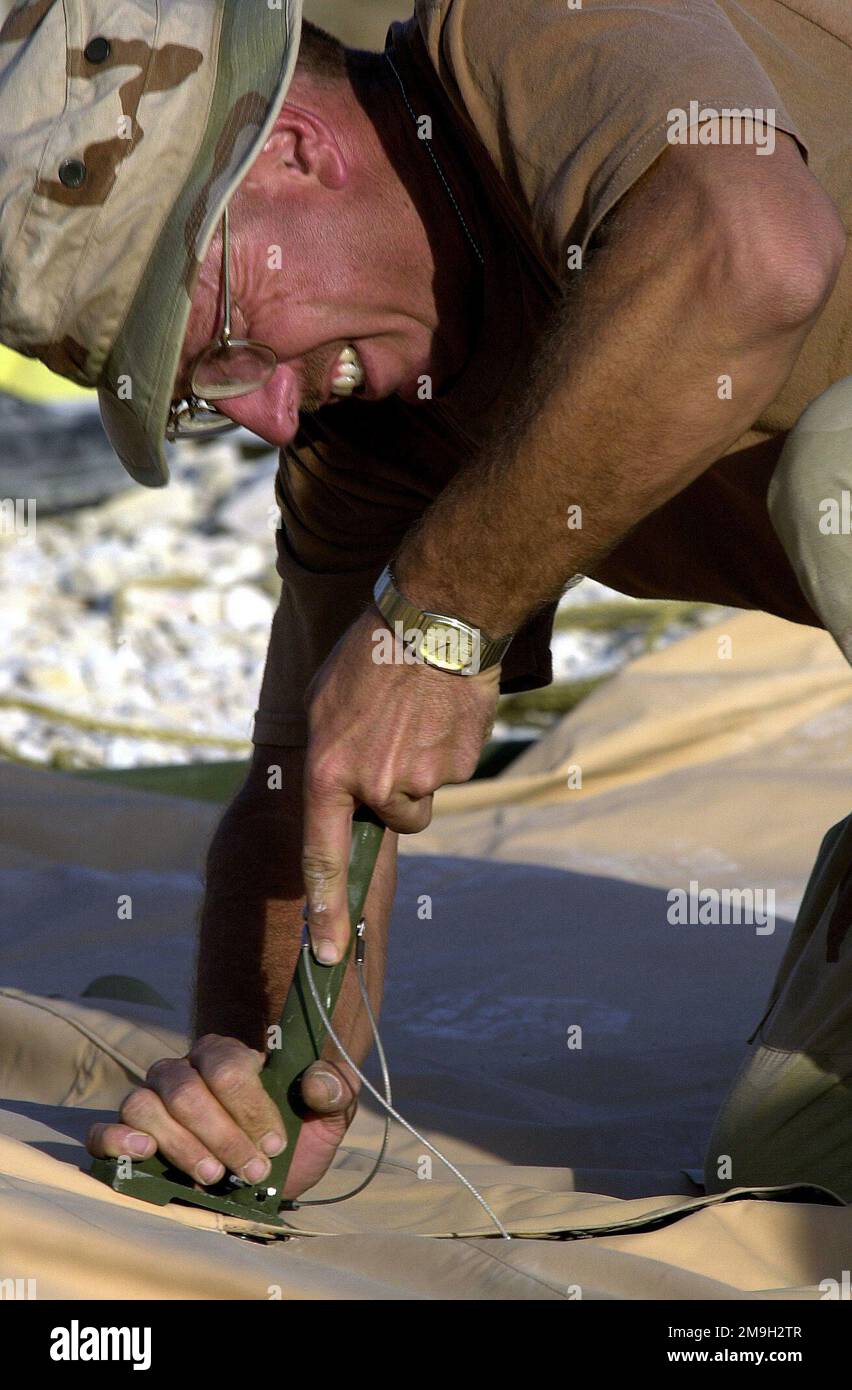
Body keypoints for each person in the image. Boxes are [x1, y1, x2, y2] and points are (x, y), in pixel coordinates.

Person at [2, 0, 850, 1200]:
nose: (269, 415)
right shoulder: (374, 437)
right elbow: (304, 781)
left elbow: (754, 256)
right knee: (798, 1166)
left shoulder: (518, 30)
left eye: (230, 342)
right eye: (209, 397)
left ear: (294, 150)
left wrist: (436, 619)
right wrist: (260, 1072)